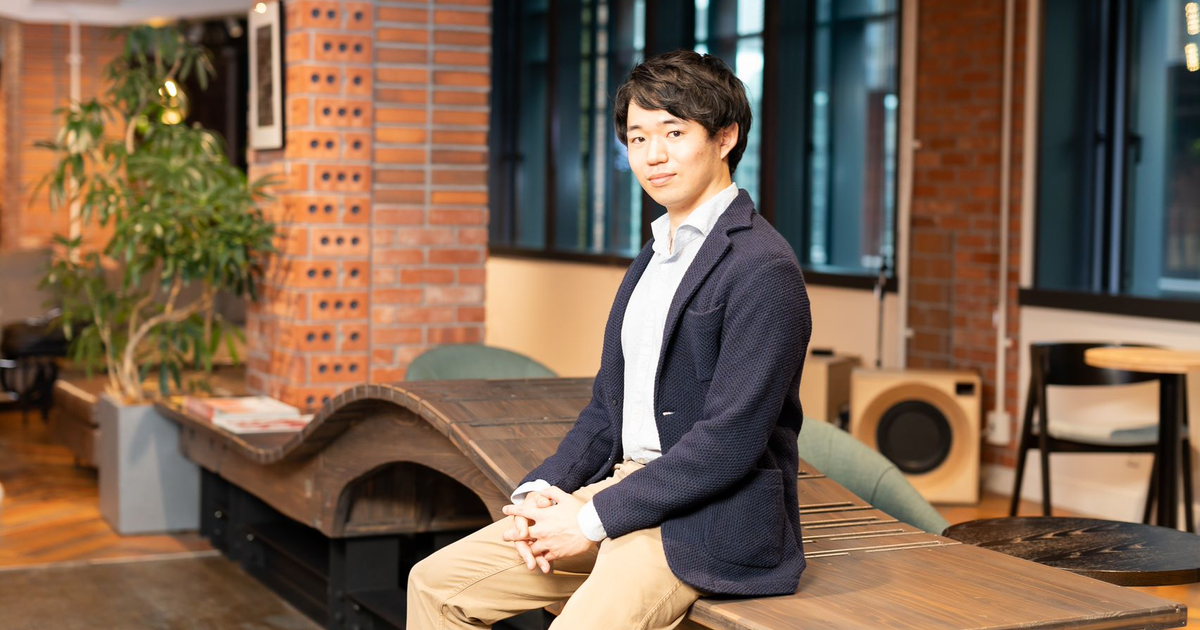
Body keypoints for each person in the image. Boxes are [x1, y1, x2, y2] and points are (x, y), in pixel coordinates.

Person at [407, 49, 812, 630]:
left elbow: (729, 442)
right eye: (638, 137)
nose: (653, 155)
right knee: (435, 585)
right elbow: (607, 408)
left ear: (725, 138)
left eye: (674, 132)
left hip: (703, 520)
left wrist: (589, 520)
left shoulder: (762, 266)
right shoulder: (656, 255)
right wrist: (544, 490)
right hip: (620, 493)